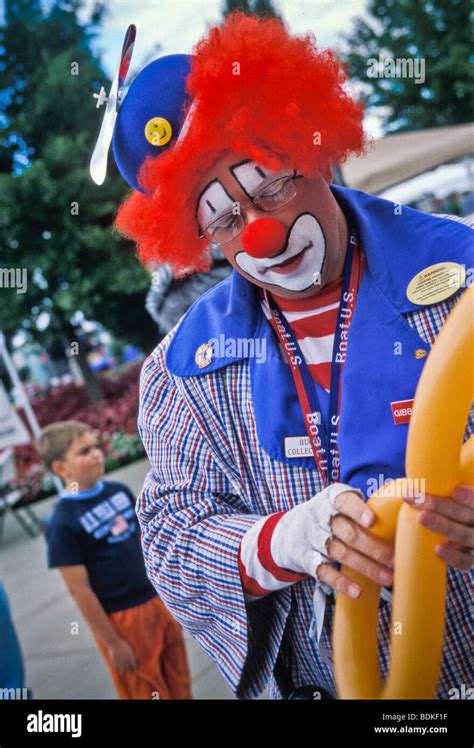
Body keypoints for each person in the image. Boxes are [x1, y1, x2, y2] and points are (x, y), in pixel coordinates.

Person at [95, 11, 473, 699]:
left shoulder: (464, 270)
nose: (262, 231)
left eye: (272, 183)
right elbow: (172, 542)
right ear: (198, 236)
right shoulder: (181, 371)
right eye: (225, 217)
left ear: (314, 149)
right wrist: (281, 542)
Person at [37, 420, 192, 700]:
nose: (97, 454)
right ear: (61, 469)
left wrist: (171, 600)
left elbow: (149, 547)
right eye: (84, 452)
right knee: (146, 689)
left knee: (179, 682)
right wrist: (113, 642)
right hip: (123, 620)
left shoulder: (118, 491)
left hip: (157, 602)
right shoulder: (62, 523)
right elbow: (79, 590)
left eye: (97, 447)